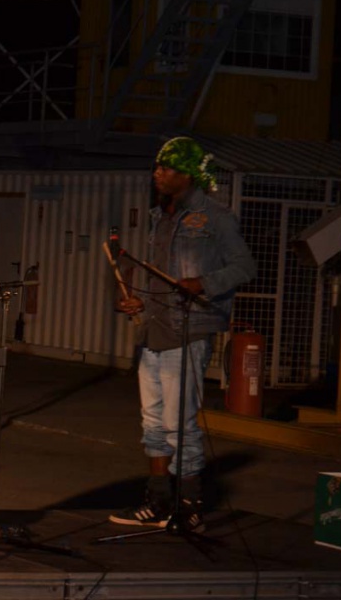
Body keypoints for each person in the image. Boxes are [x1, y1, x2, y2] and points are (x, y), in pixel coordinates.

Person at [111, 137, 256, 532]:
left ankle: (189, 507)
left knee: (180, 424)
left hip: (188, 330)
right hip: (154, 329)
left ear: (188, 174)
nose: (158, 173)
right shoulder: (160, 217)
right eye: (158, 166)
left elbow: (245, 266)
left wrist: (203, 283)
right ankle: (158, 501)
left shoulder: (216, 217)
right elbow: (157, 275)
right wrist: (136, 301)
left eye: (168, 167)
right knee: (152, 422)